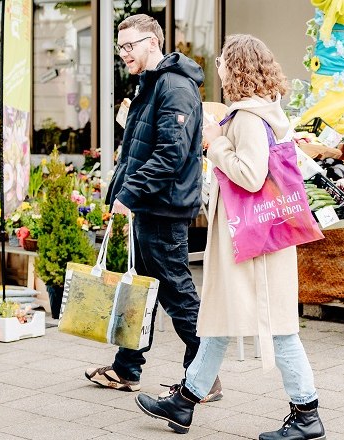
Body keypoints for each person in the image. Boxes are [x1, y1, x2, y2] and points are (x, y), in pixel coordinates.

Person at [134, 34, 326, 440]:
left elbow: (252, 175)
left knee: (278, 328)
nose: (217, 66)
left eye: (222, 61)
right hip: (251, 243)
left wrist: (216, 145)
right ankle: (185, 401)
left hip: (253, 247)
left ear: (236, 68)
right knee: (218, 321)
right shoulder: (259, 113)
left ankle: (307, 413)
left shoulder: (249, 119)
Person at [85, 14, 222, 402]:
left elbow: (170, 154)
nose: (124, 53)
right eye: (120, 46)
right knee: (140, 292)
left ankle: (203, 377)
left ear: (153, 43)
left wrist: (129, 194)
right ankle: (127, 369)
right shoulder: (153, 83)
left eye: (130, 45)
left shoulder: (174, 86)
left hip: (163, 207)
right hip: (151, 204)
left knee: (177, 293)